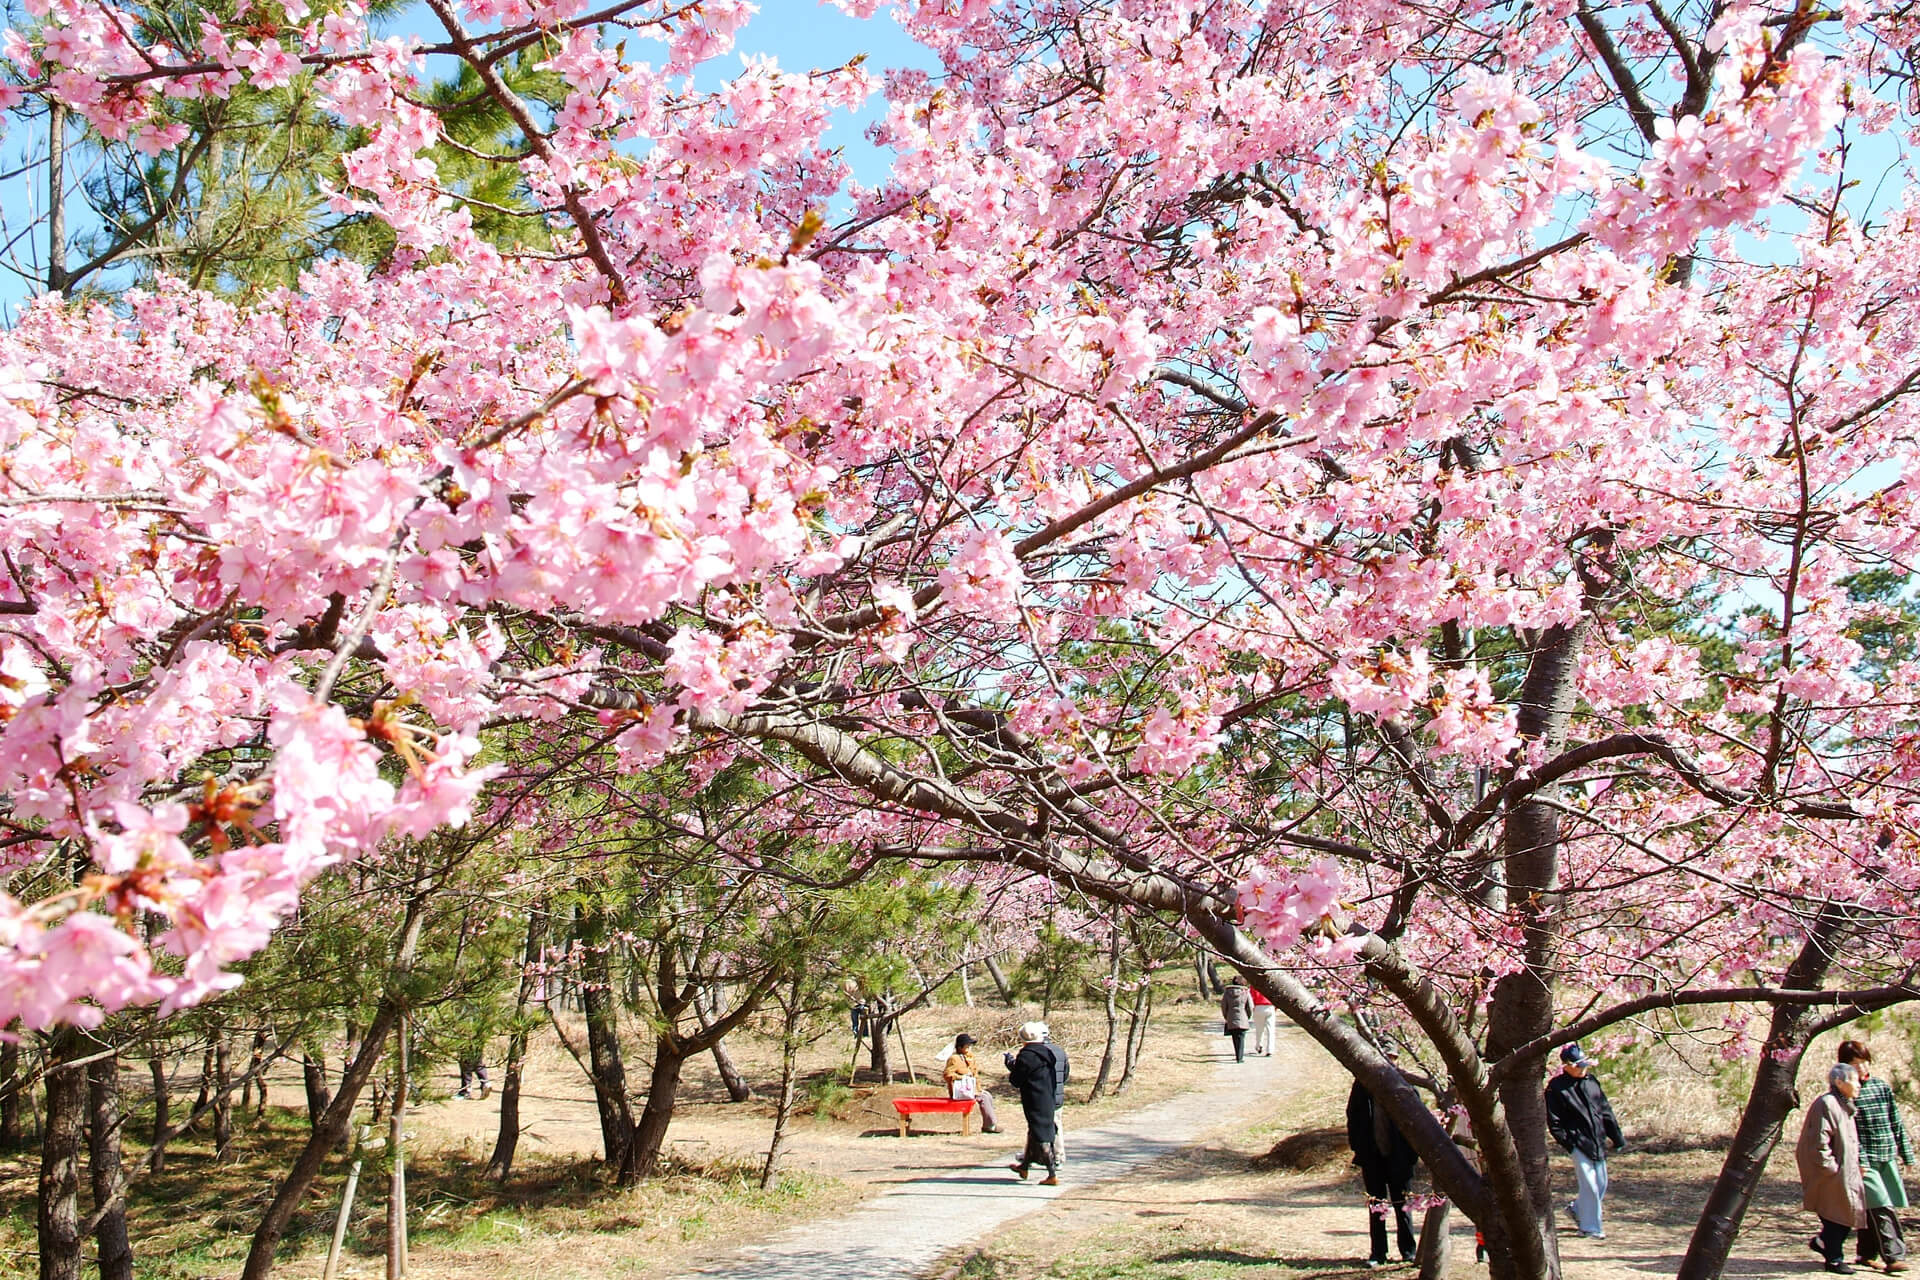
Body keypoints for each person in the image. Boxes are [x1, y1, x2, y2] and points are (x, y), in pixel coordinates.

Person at [1839, 1042, 1912, 1273]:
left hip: (1886, 1154)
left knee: (1875, 1205)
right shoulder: (1846, 1093)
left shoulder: (1881, 1086)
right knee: (1882, 1206)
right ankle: (1894, 1257)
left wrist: (1906, 1154)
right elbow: (1850, 1133)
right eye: (1854, 1064)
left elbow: (1895, 1121)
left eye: (1864, 1062)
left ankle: (1865, 1253)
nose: (1861, 1068)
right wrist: (1859, 1161)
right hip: (1865, 1160)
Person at [1544, 1043, 1626, 1240]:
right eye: (1579, 1065)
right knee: (1589, 1185)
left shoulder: (1591, 1082)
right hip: (1578, 1143)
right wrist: (1569, 1144)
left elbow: (1606, 1112)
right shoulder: (1556, 1088)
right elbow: (1554, 1123)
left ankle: (1577, 1209)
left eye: (1585, 1065)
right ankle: (1590, 1228)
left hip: (1597, 1141)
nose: (1583, 1069)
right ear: (1567, 1065)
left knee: (1601, 1184)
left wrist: (1617, 1138)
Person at [1346, 1054, 1419, 1267]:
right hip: (1372, 1156)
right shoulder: (1362, 1085)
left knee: (1402, 1204)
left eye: (1393, 1057)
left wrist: (1411, 1154)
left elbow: (1417, 1120)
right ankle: (1378, 1252)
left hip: (1399, 1157)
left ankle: (1408, 1251)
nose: (1388, 1061)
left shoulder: (1404, 1083)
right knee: (1376, 1205)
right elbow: (1353, 1116)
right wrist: (1359, 1148)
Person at [1800, 1062, 1869, 1275]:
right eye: (1854, 1080)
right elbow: (1819, 1140)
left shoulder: (1844, 1104)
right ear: (1839, 1082)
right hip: (1830, 1172)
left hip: (1845, 1170)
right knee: (1835, 1216)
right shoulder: (1828, 1104)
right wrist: (1830, 1168)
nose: (1859, 1084)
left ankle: (1823, 1244)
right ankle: (1834, 1259)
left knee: (1844, 1214)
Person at [1007, 1021, 1067, 1184]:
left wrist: (1011, 1067)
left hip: (1034, 1099)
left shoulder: (1026, 1055)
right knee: (1035, 1133)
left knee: (1041, 1136)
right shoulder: (1048, 1054)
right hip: (1048, 1097)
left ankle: (1052, 1174)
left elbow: (1016, 1080)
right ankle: (1024, 1167)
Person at [942, 1033, 1001, 1133]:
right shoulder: (954, 1059)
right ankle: (990, 1125)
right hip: (960, 1092)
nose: (969, 1048)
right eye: (967, 1046)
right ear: (960, 1047)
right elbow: (947, 1074)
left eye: (970, 1046)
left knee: (987, 1095)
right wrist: (961, 1077)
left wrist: (978, 1089)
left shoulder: (970, 1057)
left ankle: (989, 1123)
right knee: (984, 1098)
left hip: (971, 1090)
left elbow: (975, 1075)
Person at [1221, 975, 1253, 1063]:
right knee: (1241, 1038)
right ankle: (1240, 1057)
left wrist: (1226, 1016)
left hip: (1231, 1018)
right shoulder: (1245, 992)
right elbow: (1250, 1006)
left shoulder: (1227, 992)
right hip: (1242, 1017)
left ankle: (1237, 1056)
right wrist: (1248, 1016)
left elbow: (1223, 1006)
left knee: (1235, 1038)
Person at [1250, 984, 1276, 1057]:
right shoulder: (1270, 984)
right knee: (1270, 1030)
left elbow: (1252, 997)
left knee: (1259, 1029)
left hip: (1258, 1006)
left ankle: (1259, 1045)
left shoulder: (1254, 984)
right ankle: (1270, 1049)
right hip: (1270, 1006)